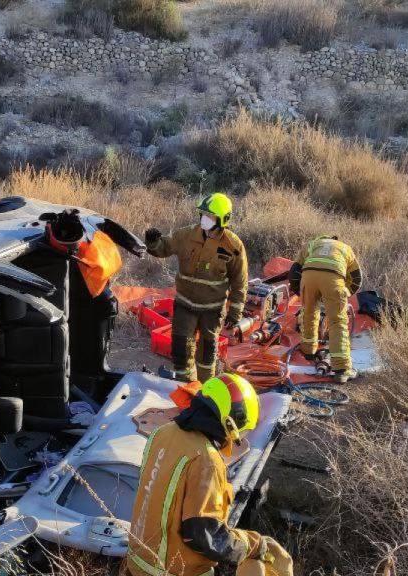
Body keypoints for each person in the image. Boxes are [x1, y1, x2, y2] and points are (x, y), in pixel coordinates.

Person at [126, 374, 292, 576]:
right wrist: (250, 545)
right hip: (172, 571)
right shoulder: (206, 460)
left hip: (137, 563)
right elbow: (204, 535)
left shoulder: (163, 433)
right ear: (231, 421)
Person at [145, 193, 248, 383]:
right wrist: (153, 242)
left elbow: (239, 282)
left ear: (223, 220)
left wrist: (234, 315)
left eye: (210, 216)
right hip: (185, 305)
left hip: (212, 310)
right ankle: (184, 387)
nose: (204, 219)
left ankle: (205, 390)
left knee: (207, 355)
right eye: (203, 214)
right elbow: (164, 247)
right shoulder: (186, 235)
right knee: (181, 352)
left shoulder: (233, 246)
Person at [289, 235, 362, 384]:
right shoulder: (345, 248)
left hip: (308, 277)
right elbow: (356, 277)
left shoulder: (312, 244)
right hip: (333, 279)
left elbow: (294, 270)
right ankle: (342, 370)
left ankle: (308, 351)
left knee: (308, 313)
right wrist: (345, 294)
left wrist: (300, 292)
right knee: (337, 321)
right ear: (336, 240)